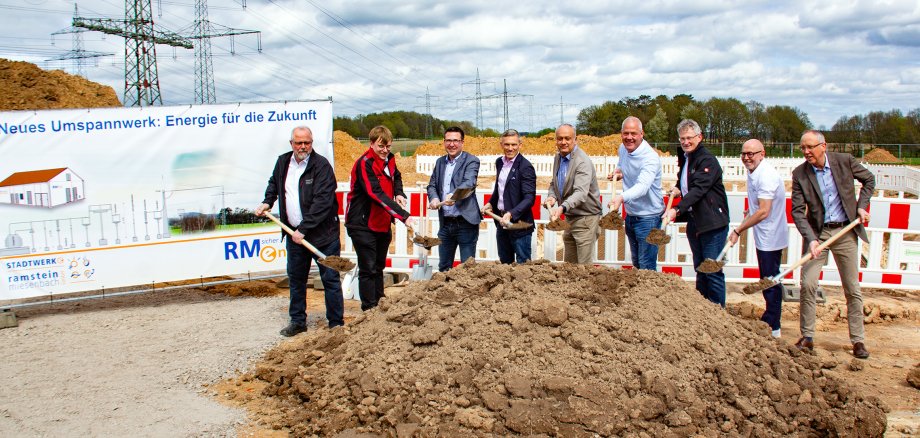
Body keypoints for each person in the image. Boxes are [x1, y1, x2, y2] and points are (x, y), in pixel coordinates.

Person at [791, 130, 874, 359]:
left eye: (810, 147)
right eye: (803, 148)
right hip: (818, 233)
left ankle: (858, 340)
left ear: (823, 146)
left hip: (845, 231)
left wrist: (862, 205)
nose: (806, 152)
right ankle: (807, 337)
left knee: (852, 287)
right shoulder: (800, 174)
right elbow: (797, 212)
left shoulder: (844, 162)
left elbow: (869, 179)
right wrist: (811, 239)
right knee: (807, 283)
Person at [256, 126, 343, 337]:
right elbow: (274, 185)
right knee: (296, 279)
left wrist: (303, 229)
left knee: (330, 279)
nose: (303, 146)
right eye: (298, 142)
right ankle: (297, 321)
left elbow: (323, 202)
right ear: (291, 143)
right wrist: (268, 202)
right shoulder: (283, 162)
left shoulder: (321, 166)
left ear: (312, 143)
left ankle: (336, 324)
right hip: (295, 236)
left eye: (307, 142)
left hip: (323, 235)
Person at [345, 125, 417, 311]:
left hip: (382, 221)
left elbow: (397, 176)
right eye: (381, 146)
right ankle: (369, 308)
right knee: (368, 268)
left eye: (388, 147)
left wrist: (399, 192)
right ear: (371, 144)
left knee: (378, 266)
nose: (385, 151)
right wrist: (404, 216)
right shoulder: (364, 164)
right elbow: (375, 193)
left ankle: (380, 302)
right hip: (361, 222)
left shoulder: (390, 160)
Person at [664, 119, 729, 307]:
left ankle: (718, 312)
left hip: (712, 222)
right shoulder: (686, 157)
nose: (685, 142)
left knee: (712, 269)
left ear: (699, 137)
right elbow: (685, 182)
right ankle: (703, 310)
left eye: (689, 138)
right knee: (700, 268)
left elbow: (699, 189)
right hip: (696, 221)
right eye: (682, 138)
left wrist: (677, 209)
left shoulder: (706, 160)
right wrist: (677, 189)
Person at [729, 139, 789, 338]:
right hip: (763, 232)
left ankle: (773, 325)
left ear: (762, 153)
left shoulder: (766, 176)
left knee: (769, 279)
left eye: (751, 154)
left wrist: (738, 230)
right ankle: (771, 319)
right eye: (744, 154)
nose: (747, 157)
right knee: (767, 277)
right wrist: (751, 210)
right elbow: (758, 206)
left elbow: (764, 211)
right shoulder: (753, 171)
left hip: (771, 234)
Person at [607, 116, 664, 270]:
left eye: (633, 133)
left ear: (641, 134)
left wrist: (621, 198)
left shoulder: (650, 158)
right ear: (621, 134)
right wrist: (619, 172)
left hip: (649, 217)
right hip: (632, 215)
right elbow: (622, 165)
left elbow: (643, 186)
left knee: (646, 265)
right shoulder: (622, 149)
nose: (629, 138)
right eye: (626, 133)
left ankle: (649, 294)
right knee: (637, 263)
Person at [545, 123, 602, 264]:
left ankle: (586, 287)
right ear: (556, 140)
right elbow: (555, 182)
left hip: (585, 218)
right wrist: (552, 196)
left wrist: (562, 207)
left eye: (567, 138)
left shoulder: (582, 162)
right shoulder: (558, 158)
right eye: (560, 139)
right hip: (571, 217)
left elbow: (581, 193)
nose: (563, 142)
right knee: (569, 265)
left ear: (575, 140)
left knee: (583, 266)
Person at [426, 126, 481, 271]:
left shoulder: (471, 160)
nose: (452, 144)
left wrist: (454, 195)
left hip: (466, 223)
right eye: (448, 140)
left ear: (462, 142)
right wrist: (434, 199)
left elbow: (469, 182)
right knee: (444, 266)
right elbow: (432, 185)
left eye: (456, 141)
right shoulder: (440, 162)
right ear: (443, 142)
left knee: (467, 269)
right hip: (446, 223)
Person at [483, 129, 537, 263]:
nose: (510, 148)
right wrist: (491, 202)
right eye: (507, 144)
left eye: (514, 144)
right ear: (501, 145)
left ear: (520, 145)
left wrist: (511, 214)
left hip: (519, 225)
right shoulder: (499, 162)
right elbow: (499, 188)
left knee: (522, 266)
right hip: (501, 222)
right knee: (505, 264)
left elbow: (529, 198)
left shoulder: (525, 167)